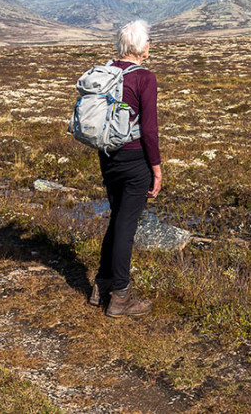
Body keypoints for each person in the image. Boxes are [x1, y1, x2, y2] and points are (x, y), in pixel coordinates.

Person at [88, 19, 162, 318]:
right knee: (125, 227)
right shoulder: (145, 77)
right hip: (134, 160)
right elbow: (149, 129)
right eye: (148, 42)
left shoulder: (105, 72)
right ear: (141, 47)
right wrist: (156, 168)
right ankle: (120, 296)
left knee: (117, 218)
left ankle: (101, 286)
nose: (149, 46)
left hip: (107, 156)